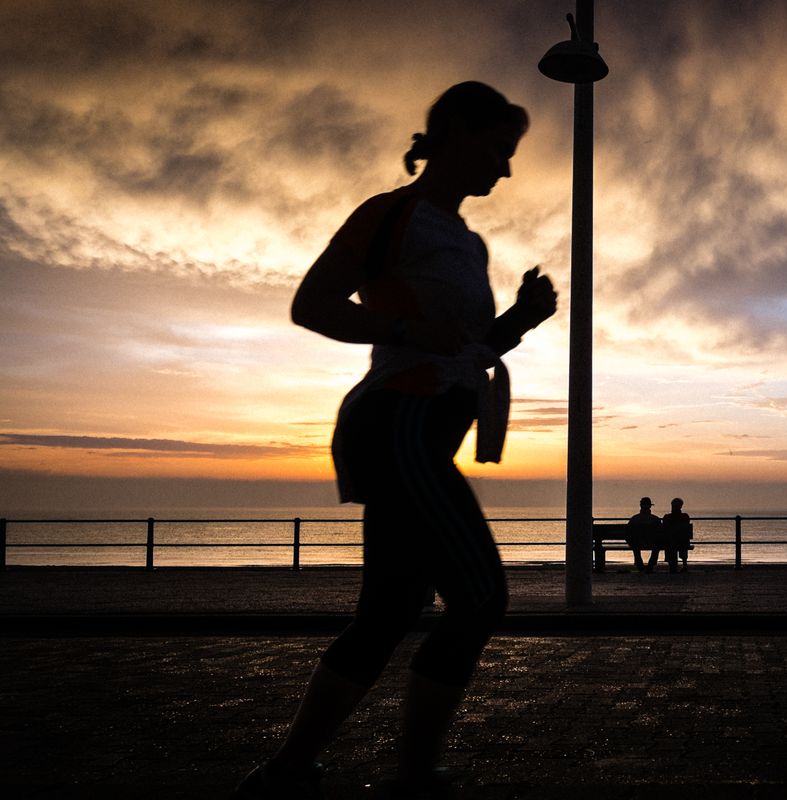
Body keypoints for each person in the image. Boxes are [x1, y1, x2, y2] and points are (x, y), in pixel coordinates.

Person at [236, 81, 556, 800]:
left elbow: (462, 347)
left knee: (387, 614)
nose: (505, 171)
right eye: (499, 151)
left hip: (431, 431)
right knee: (479, 601)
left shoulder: (468, 243)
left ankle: (285, 774)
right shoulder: (392, 215)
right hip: (398, 424)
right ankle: (412, 778)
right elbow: (311, 305)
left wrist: (520, 321)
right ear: (456, 134)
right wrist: (404, 329)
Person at [626, 496, 661, 573]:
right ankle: (650, 565)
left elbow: (627, 532)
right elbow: (660, 533)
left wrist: (630, 541)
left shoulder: (634, 519)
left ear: (640, 506)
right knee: (657, 545)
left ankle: (640, 565)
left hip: (637, 543)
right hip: (652, 543)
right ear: (650, 506)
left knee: (635, 544)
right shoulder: (656, 519)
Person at [661, 497, 693, 572]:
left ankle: (672, 565)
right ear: (681, 506)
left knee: (669, 541)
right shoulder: (685, 517)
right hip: (683, 542)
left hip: (670, 542)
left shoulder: (667, 517)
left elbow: (664, 530)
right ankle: (684, 565)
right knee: (683, 540)